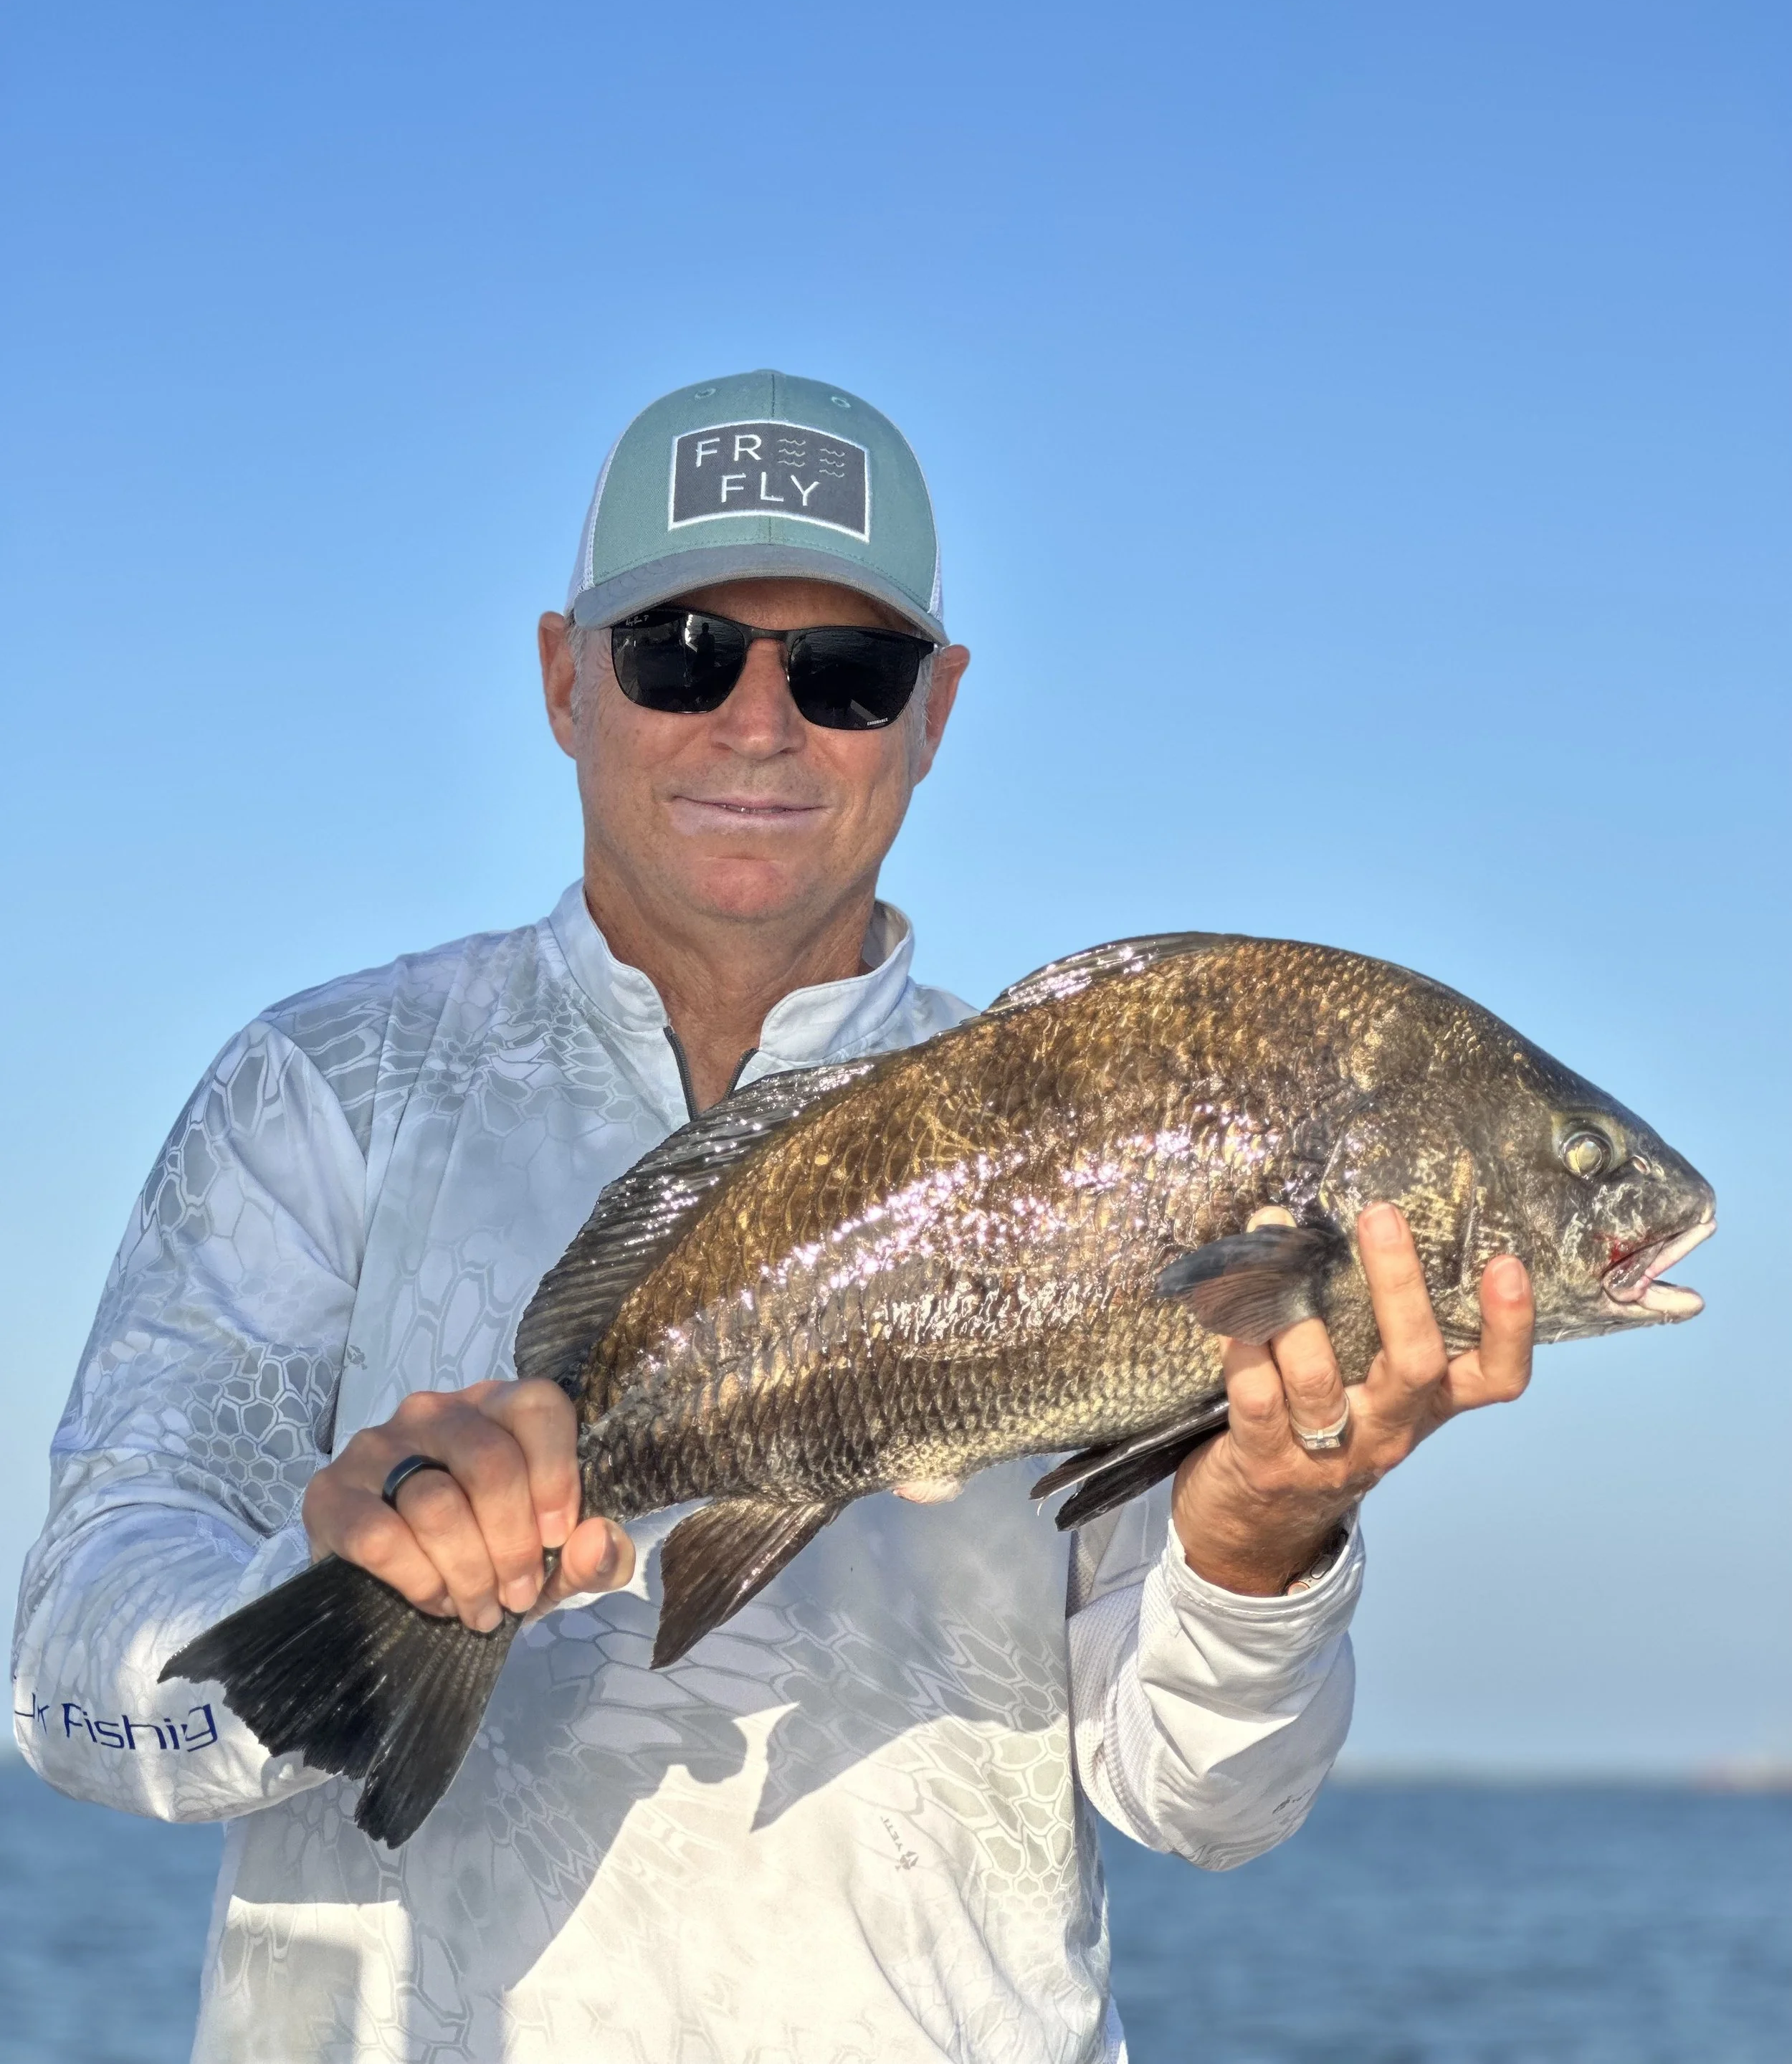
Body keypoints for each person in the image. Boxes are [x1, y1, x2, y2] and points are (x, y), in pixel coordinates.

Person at [11, 368, 1535, 2064]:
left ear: (935, 711)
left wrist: (1263, 1539)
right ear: (557, 678)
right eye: (679, 649)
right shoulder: (322, 1092)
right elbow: (69, 1691)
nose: (758, 723)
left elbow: (1208, 1804)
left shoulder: (1111, 1143)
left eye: (845, 672)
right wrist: (333, 1573)